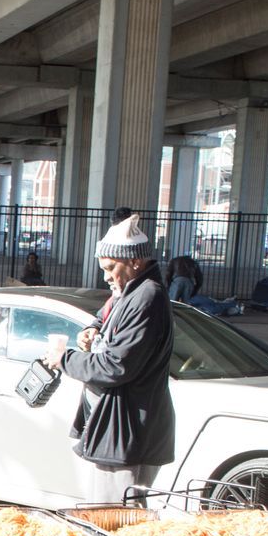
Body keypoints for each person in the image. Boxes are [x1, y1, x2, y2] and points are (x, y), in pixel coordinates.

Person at [44, 213, 175, 504]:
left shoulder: (147, 297)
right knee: (109, 517)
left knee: (114, 521)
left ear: (135, 262)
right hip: (118, 429)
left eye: (110, 268)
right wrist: (93, 328)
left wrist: (65, 359)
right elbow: (107, 313)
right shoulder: (130, 292)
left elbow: (117, 366)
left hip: (127, 432)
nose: (105, 276)